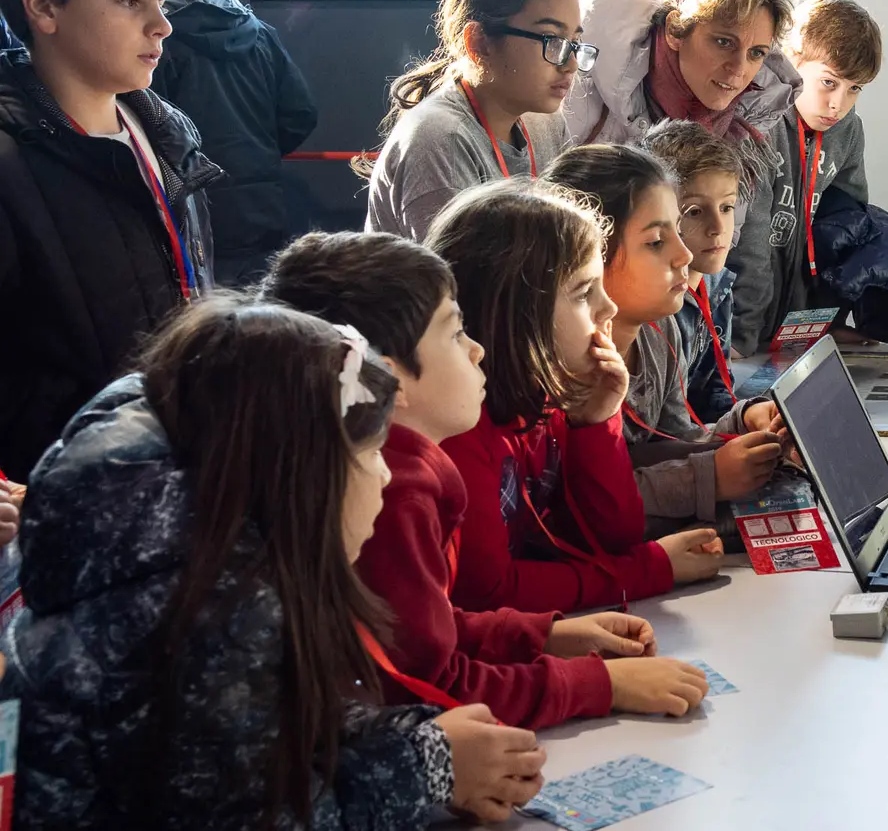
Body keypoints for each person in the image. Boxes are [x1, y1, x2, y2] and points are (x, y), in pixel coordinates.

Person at [2, 298, 547, 827]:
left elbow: (261, 736)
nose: (385, 476)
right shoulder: (207, 610)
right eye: (373, 452)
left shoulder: (196, 566)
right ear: (307, 474)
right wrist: (430, 769)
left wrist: (413, 736)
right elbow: (256, 817)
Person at [260, 231, 712, 725]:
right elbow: (428, 684)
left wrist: (539, 635)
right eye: (455, 333)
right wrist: (599, 684)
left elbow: (421, 630)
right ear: (387, 381)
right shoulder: (393, 492)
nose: (476, 350)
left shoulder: (419, 463)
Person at [0, 0, 219, 485]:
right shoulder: (12, 162)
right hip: (59, 487)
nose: (162, 26)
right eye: (128, 1)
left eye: (160, 0)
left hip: (175, 461)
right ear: (44, 5)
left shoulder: (168, 131)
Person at [428, 178, 724, 614]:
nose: (609, 308)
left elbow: (612, 538)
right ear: (518, 314)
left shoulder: (548, 399)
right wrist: (648, 570)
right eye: (585, 293)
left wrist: (597, 421)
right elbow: (489, 594)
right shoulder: (459, 431)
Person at [544, 145, 785, 537]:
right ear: (590, 256)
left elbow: (676, 441)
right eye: (656, 242)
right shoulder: (561, 367)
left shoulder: (659, 332)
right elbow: (577, 504)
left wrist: (744, 425)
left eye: (677, 229)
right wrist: (710, 479)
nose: (684, 254)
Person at [365, 0, 581, 242]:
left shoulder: (545, 122)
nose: (571, 64)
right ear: (479, 42)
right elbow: (464, 272)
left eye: (574, 43)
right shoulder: (439, 138)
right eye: (552, 40)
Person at [151, 0, 318, 286]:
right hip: (263, 208)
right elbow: (301, 114)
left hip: (195, 213)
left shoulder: (157, 40)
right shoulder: (259, 32)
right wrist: (257, 155)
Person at [727, 0, 882, 353]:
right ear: (793, 61)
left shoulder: (848, 130)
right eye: (829, 82)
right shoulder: (758, 122)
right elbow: (749, 240)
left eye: (854, 89)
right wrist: (741, 337)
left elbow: (842, 232)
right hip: (737, 331)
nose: (838, 104)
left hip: (795, 334)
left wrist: (828, 323)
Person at [562, 0, 797, 154]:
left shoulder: (746, 120)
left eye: (756, 53)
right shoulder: (575, 83)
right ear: (675, 30)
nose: (739, 69)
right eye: (724, 42)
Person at [641, 119, 742, 421]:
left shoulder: (717, 282)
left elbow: (718, 390)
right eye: (695, 212)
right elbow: (664, 428)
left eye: (727, 207)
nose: (718, 228)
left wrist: (747, 417)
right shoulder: (651, 306)